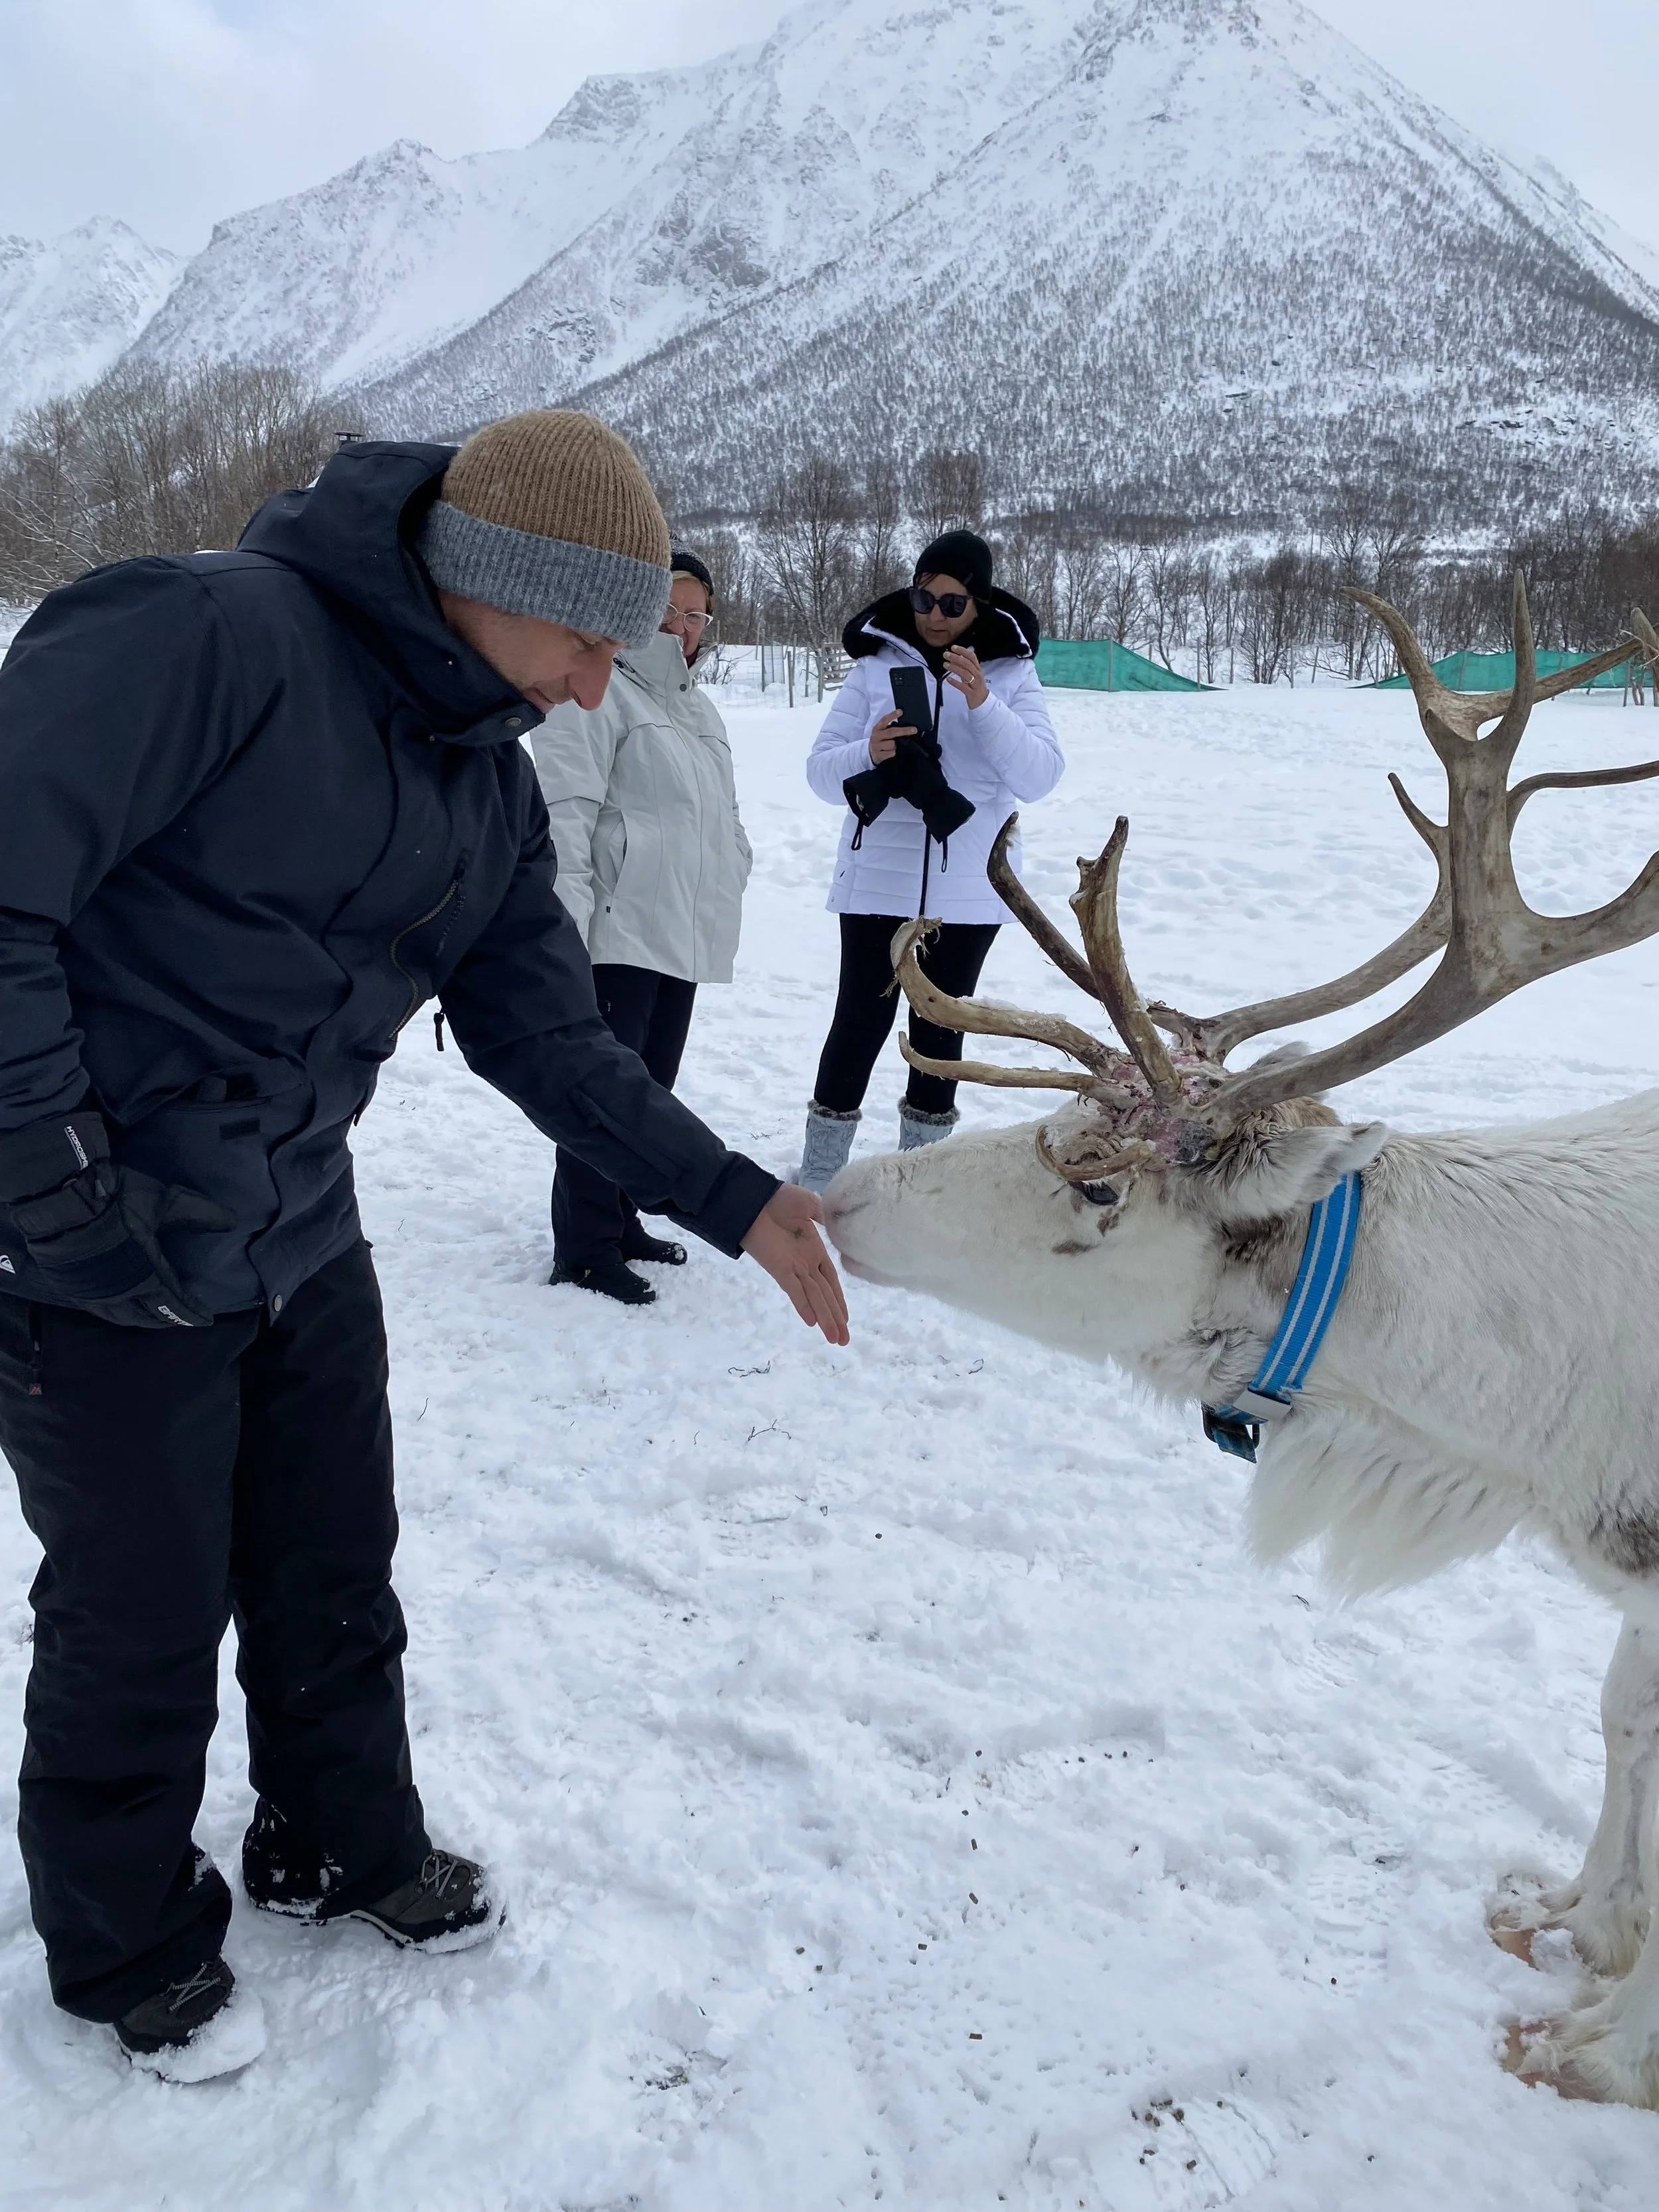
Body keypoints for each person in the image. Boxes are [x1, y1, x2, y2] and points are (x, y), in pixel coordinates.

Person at [0, 410, 847, 2079]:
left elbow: (553, 1035)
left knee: (330, 1569)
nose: (602, 686)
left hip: (297, 1227)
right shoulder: (200, 635)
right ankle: (126, 1947)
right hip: (92, 1247)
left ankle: (337, 1844)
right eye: (588, 641)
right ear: (487, 582)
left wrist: (732, 1195)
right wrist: (57, 1192)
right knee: (141, 1614)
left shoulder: (480, 776)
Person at [797, 529, 1063, 1189]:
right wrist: (870, 751)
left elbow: (1040, 776)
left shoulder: (1011, 672)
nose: (933, 614)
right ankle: (821, 1176)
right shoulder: (873, 667)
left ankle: (919, 1180)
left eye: (952, 603)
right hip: (875, 883)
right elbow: (818, 775)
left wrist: (983, 703)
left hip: (969, 890)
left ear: (980, 604)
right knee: (857, 1022)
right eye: (924, 597)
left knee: (941, 1029)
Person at [533, 547, 751, 1305]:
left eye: (695, 614)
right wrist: (569, 933)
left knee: (650, 1089)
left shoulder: (698, 708)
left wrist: (735, 870)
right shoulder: (595, 692)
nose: (681, 626)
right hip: (614, 932)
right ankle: (584, 1247)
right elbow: (567, 812)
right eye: (668, 608)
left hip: (678, 933)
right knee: (601, 1093)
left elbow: (720, 818)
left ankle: (621, 1220)